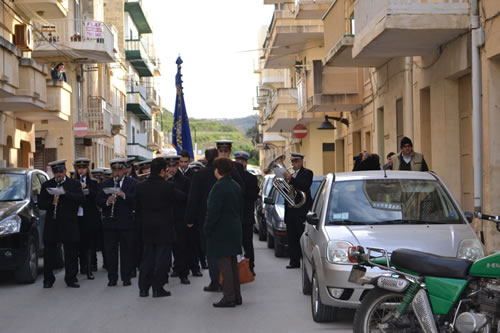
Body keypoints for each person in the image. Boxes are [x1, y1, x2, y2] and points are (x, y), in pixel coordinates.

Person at [38, 160, 84, 288]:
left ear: (65, 171)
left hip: (69, 223)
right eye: (56, 172)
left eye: (60, 172)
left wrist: (65, 194)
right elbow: (41, 204)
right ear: (53, 172)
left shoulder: (74, 184)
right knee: (49, 252)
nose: (58, 175)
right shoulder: (47, 185)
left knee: (71, 252)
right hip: (52, 223)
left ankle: (71, 278)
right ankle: (48, 279)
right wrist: (51, 203)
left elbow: (81, 199)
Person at [204, 157, 243, 308]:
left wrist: (207, 228)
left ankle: (228, 297)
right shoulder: (235, 185)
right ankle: (236, 295)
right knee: (233, 263)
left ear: (218, 170)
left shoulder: (218, 187)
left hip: (221, 230)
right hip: (234, 228)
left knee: (224, 264)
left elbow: (213, 211)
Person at [135, 157, 176, 298]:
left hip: (147, 227)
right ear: (162, 171)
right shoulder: (168, 186)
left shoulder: (140, 186)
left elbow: (137, 207)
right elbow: (181, 198)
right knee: (162, 260)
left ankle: (143, 288)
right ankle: (158, 288)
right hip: (164, 227)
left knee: (147, 258)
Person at [97, 158, 138, 287]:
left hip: (126, 223)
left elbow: (136, 200)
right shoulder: (105, 183)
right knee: (111, 252)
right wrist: (107, 201)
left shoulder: (132, 183)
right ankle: (112, 278)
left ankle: (126, 277)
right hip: (110, 222)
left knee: (126, 251)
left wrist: (124, 195)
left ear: (125, 170)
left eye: (120, 170)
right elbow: (98, 200)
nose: (117, 173)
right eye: (115, 170)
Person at [185, 148, 220, 291]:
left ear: (205, 159)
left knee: (210, 251)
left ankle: (215, 281)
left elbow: (193, 198)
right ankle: (223, 279)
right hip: (221, 218)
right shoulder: (222, 174)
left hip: (204, 218)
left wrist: (189, 218)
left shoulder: (199, 175)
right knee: (222, 251)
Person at [165, 155, 196, 284]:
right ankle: (173, 269)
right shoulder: (163, 180)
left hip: (179, 217)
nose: (171, 169)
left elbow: (186, 198)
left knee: (181, 247)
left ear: (177, 166)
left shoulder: (184, 181)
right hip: (166, 219)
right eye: (169, 166)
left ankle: (184, 273)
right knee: (169, 248)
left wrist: (172, 186)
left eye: (174, 166)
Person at [283, 153, 313, 269]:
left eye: (295, 161)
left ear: (301, 161)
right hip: (291, 211)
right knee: (291, 238)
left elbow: (304, 186)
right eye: (292, 161)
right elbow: (287, 193)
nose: (293, 164)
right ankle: (294, 261)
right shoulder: (290, 175)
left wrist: (291, 179)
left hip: (301, 211)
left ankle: (306, 262)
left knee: (302, 237)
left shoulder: (307, 173)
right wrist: (285, 182)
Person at [73, 158, 100, 280]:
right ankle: (81, 266)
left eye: (83, 168)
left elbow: (96, 198)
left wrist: (86, 189)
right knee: (78, 244)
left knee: (89, 244)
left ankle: (89, 269)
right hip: (76, 217)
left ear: (87, 169)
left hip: (88, 217)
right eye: (79, 168)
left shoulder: (93, 183)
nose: (81, 170)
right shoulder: (72, 182)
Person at [234, 151, 259, 275]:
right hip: (237, 217)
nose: (240, 163)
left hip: (246, 217)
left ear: (246, 163)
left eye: (242, 161)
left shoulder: (251, 178)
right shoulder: (232, 177)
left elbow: (254, 196)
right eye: (237, 161)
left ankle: (250, 267)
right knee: (239, 245)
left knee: (247, 244)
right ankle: (240, 268)